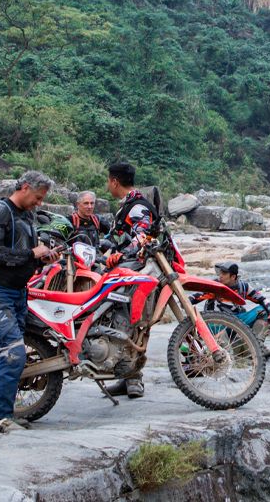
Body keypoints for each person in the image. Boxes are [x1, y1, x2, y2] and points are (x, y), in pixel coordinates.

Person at [0, 171, 58, 433]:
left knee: (12, 354)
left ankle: (0, 411)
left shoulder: (27, 215)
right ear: (24, 187)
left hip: (18, 293)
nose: (39, 203)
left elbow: (20, 255)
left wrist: (40, 258)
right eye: (37, 197)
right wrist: (32, 252)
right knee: (13, 352)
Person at [100, 162, 156, 398]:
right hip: (128, 271)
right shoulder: (128, 206)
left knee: (134, 323)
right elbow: (114, 237)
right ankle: (124, 376)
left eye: (108, 180)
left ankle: (134, 379)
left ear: (114, 181)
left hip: (138, 273)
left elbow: (144, 236)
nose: (107, 185)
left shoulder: (137, 207)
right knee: (118, 321)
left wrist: (121, 255)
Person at [201, 262, 270, 359]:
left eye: (224, 274)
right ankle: (227, 356)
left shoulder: (244, 287)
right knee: (209, 325)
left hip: (237, 321)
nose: (220, 276)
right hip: (218, 323)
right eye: (220, 273)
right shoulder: (215, 286)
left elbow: (262, 299)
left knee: (263, 311)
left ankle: (256, 346)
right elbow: (197, 297)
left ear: (233, 277)